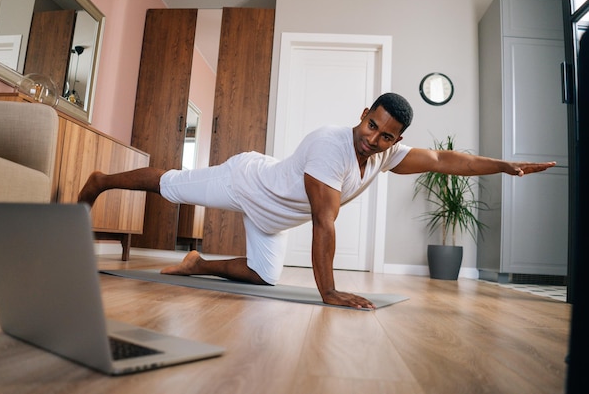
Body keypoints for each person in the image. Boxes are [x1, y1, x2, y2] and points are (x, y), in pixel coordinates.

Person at [78, 93, 555, 309]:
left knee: (264, 277)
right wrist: (328, 293)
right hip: (247, 183)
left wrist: (504, 165)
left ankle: (197, 264)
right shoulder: (332, 146)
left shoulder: (386, 155)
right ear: (363, 114)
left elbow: (448, 160)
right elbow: (324, 225)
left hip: (273, 219)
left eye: (387, 136)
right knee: (171, 184)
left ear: (396, 139)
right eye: (373, 126)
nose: (374, 140)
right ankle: (102, 180)